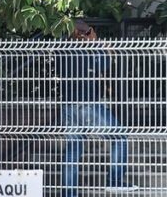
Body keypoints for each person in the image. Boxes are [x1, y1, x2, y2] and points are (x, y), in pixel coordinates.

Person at [58, 20, 138, 195]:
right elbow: (105, 66)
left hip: (67, 106)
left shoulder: (61, 51)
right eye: (92, 32)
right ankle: (115, 181)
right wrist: (104, 48)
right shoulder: (89, 49)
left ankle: (69, 193)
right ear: (85, 34)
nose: (94, 35)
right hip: (87, 104)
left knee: (73, 149)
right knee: (119, 136)